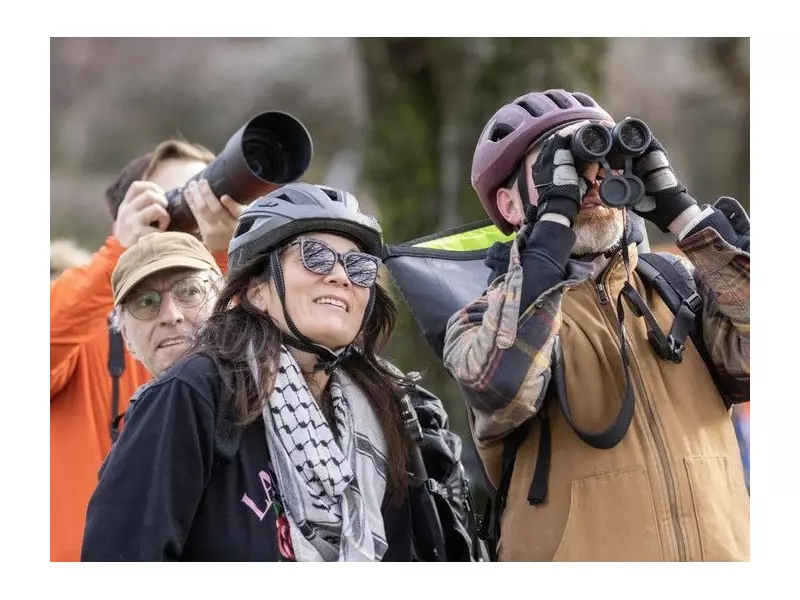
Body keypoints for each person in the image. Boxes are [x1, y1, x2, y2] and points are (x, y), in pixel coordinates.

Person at [442, 89, 750, 561]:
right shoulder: (479, 319)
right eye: (556, 165)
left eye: (599, 157)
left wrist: (684, 215)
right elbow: (502, 386)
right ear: (509, 205)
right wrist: (553, 225)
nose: (589, 179)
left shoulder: (681, 285)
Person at [82, 183, 424, 562]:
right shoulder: (195, 393)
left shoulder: (388, 408)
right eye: (315, 256)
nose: (341, 276)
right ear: (257, 291)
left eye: (359, 267)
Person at [50, 138, 243, 562]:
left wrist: (234, 257)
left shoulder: (226, 312)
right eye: (181, 201)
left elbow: (265, 357)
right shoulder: (83, 329)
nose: (170, 315)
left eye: (210, 190)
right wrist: (118, 255)